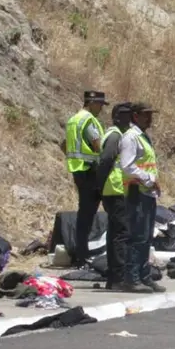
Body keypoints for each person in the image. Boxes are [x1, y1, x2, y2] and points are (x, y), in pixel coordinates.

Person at [118, 102, 165, 294]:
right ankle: (132, 278)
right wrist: (149, 179)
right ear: (135, 116)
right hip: (137, 191)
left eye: (150, 114)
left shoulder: (143, 137)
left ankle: (145, 277)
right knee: (137, 236)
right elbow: (126, 165)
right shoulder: (131, 137)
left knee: (146, 238)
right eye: (146, 115)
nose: (150, 118)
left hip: (146, 192)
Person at [63, 90, 107, 268]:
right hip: (91, 172)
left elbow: (64, 144)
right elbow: (98, 146)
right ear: (92, 103)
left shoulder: (73, 119)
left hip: (78, 171)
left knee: (84, 215)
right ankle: (83, 256)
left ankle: (80, 254)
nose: (101, 109)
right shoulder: (88, 121)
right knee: (95, 214)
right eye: (100, 105)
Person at [95, 102, 133, 291]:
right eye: (125, 115)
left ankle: (115, 278)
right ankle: (117, 278)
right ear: (116, 117)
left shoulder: (120, 135)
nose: (129, 119)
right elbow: (106, 160)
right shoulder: (115, 136)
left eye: (130, 115)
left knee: (117, 234)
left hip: (116, 190)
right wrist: (100, 187)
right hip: (114, 190)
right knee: (120, 235)